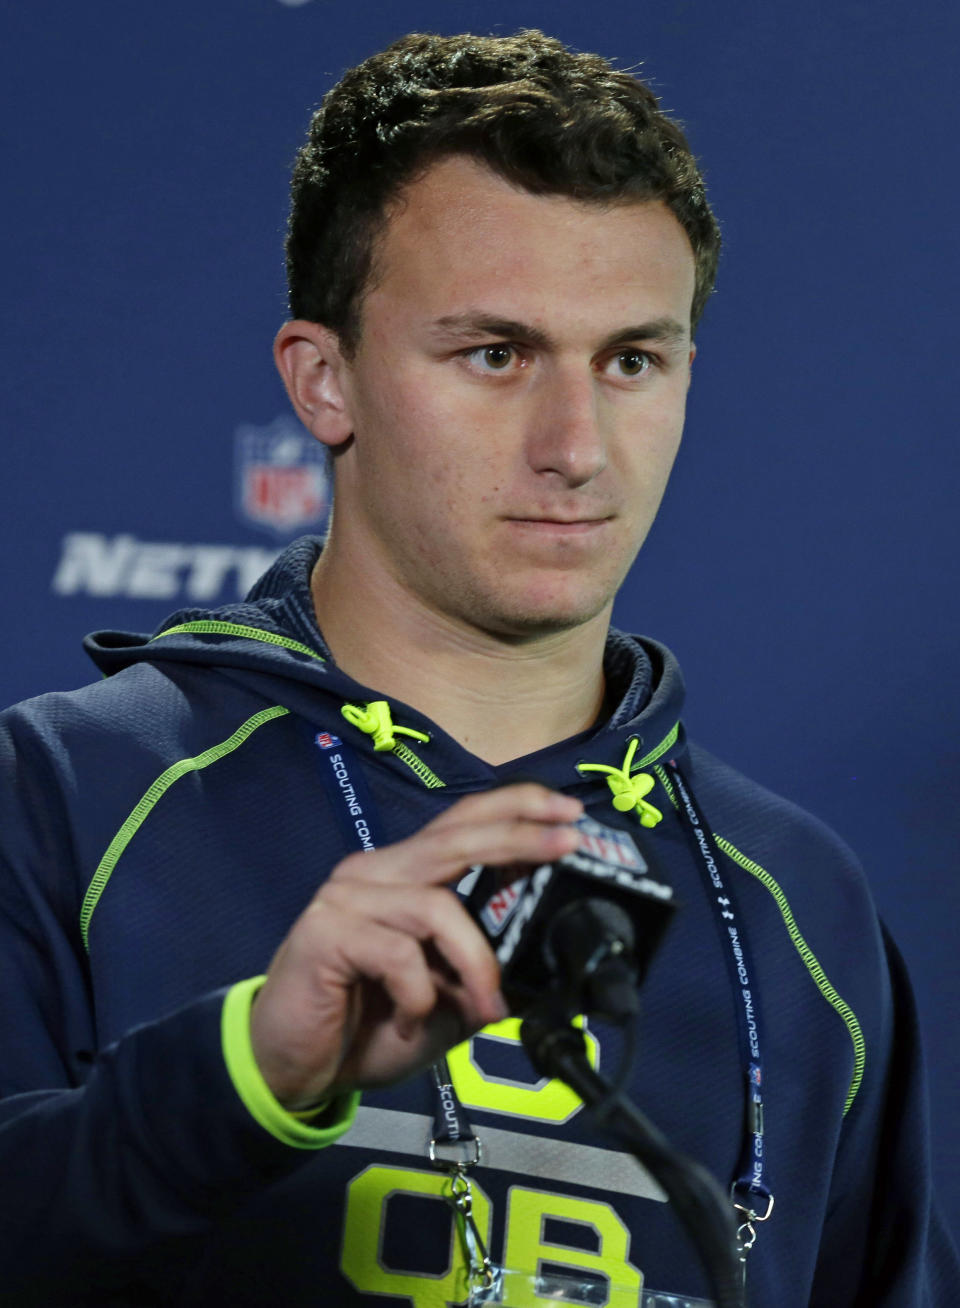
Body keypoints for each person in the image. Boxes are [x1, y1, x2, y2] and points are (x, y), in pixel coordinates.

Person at [0, 28, 956, 1307]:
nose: (576, 446)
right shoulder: (66, 796)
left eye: (631, 360)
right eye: (495, 355)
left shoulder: (802, 907)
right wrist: (244, 1077)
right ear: (324, 380)